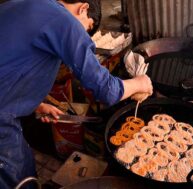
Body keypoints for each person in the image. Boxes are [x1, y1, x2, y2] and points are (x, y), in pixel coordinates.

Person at [0, 0, 153, 188]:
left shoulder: (22, 4)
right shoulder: (63, 19)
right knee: (19, 179)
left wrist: (34, 105)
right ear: (84, 8)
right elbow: (105, 90)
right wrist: (140, 83)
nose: (83, 36)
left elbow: (11, 62)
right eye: (87, 29)